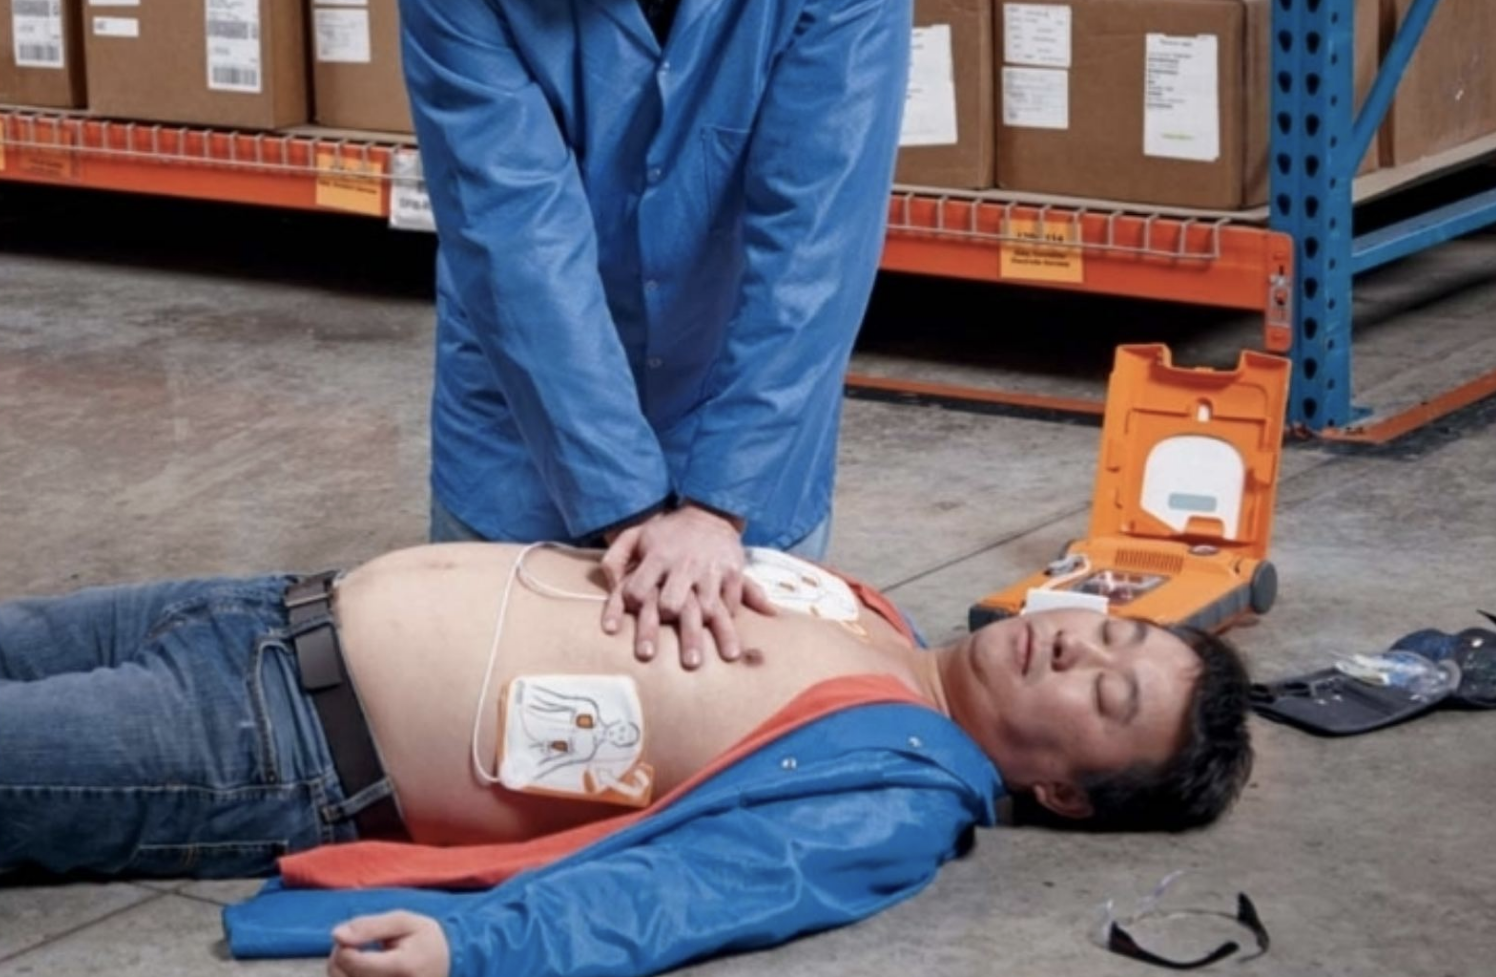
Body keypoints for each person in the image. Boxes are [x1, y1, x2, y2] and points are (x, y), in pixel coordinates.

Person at [0, 543, 1254, 977]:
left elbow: (691, 890)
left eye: (1106, 693)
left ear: (1064, 792)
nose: (1074, 646)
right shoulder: (872, 617)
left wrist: (480, 945)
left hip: (262, 740)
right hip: (259, 608)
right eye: (1111, 631)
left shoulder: (896, 792)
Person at [399, 0, 914, 666]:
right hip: (527, 433)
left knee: (742, 727)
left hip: (746, 420)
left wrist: (720, 501)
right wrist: (627, 503)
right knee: (494, 714)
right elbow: (516, 241)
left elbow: (814, 228)